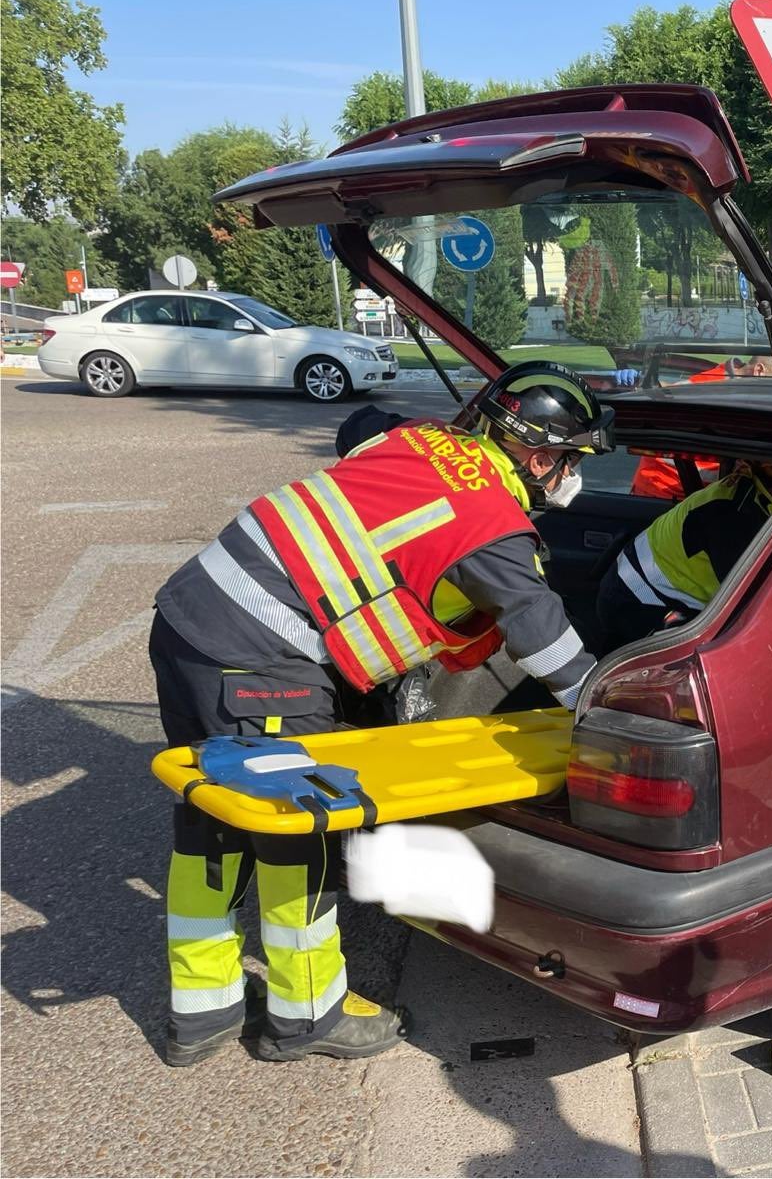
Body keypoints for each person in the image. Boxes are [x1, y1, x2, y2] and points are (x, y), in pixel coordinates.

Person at [152, 362, 613, 1067]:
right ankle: (306, 1017)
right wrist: (603, 708)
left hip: (190, 621)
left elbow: (357, 429)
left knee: (213, 813)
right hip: (261, 658)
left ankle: (203, 1009)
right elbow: (539, 628)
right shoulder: (491, 519)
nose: (569, 477)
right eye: (571, 460)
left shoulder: (425, 440)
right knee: (296, 834)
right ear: (542, 455)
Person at [597, 461, 772, 651]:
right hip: (640, 601)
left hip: (646, 591)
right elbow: (754, 602)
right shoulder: (736, 517)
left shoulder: (754, 497)